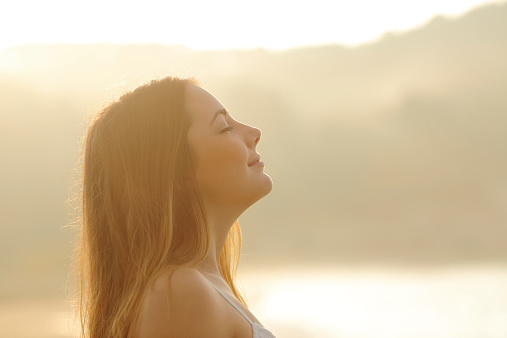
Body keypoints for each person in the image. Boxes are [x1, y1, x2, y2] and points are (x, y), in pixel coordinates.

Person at [74, 76, 276, 338]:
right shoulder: (180, 292)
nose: (254, 132)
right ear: (177, 174)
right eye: (225, 127)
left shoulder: (201, 288)